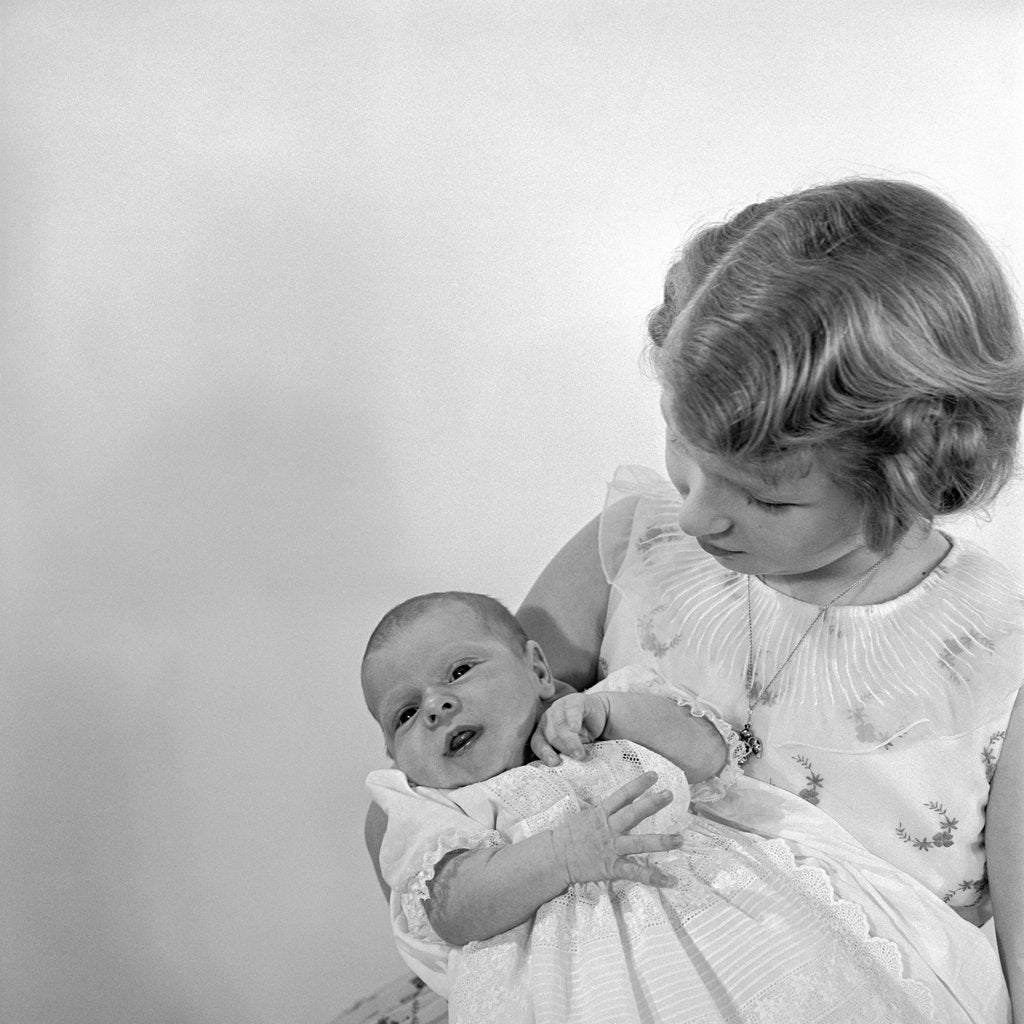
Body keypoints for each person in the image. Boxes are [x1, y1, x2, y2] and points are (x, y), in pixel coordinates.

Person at [364, 178, 1024, 1016]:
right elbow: (423, 801)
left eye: (769, 498)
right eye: (684, 450)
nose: (702, 515)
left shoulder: (998, 664)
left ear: (914, 475)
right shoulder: (637, 551)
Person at [362, 590, 1005, 1023]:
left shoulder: (609, 711)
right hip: (569, 982)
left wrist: (610, 714)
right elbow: (452, 911)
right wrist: (561, 856)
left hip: (725, 905)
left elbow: (707, 756)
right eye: (406, 712)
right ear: (397, 757)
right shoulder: (435, 809)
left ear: (536, 668)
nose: (437, 705)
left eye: (459, 671)